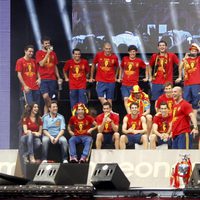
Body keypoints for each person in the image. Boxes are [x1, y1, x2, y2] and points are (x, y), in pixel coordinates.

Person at [118, 45, 148, 113]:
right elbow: (121, 68)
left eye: (134, 51)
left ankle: (135, 114)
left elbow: (146, 67)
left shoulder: (139, 60)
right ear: (128, 52)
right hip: (125, 84)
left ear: (136, 52)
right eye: (131, 52)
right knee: (126, 99)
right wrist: (119, 77)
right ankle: (129, 114)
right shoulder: (124, 59)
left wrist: (147, 77)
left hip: (134, 84)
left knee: (134, 100)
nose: (132, 53)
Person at [36, 36, 62, 114]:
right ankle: (52, 112)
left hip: (52, 78)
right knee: (45, 96)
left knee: (50, 98)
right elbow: (41, 64)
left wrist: (59, 77)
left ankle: (45, 117)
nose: (47, 45)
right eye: (46, 43)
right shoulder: (39, 53)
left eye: (48, 43)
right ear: (42, 44)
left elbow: (55, 66)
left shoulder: (53, 54)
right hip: (43, 78)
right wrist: (48, 53)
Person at [176, 43, 200, 118]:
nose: (193, 52)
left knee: (195, 102)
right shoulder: (186, 59)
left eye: (195, 51)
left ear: (197, 52)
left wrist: (197, 47)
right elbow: (180, 67)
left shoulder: (198, 59)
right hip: (187, 83)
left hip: (196, 83)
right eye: (192, 51)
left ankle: (194, 121)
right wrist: (180, 77)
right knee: (186, 101)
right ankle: (187, 120)